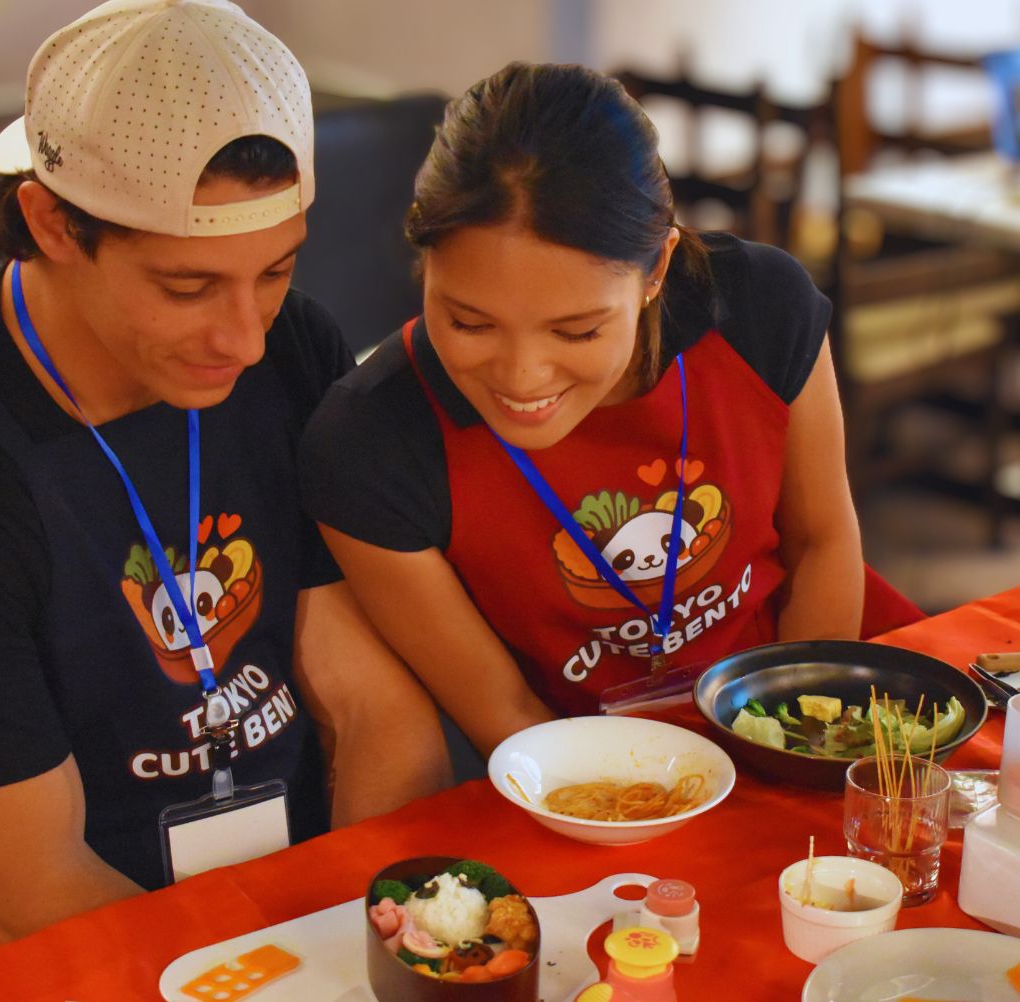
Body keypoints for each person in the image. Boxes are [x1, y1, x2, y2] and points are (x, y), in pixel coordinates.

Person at [0, 0, 448, 987]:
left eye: (273, 271)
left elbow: (374, 706)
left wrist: (362, 953)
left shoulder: (287, 351)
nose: (245, 338)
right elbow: (35, 896)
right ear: (51, 223)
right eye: (187, 287)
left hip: (293, 907)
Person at [300, 62, 916, 758]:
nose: (522, 376)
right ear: (424, 266)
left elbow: (821, 543)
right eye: (470, 323)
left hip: (818, 690)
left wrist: (799, 749)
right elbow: (506, 712)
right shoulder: (369, 443)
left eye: (577, 331)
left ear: (656, 271)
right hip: (593, 767)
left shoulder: (761, 310)